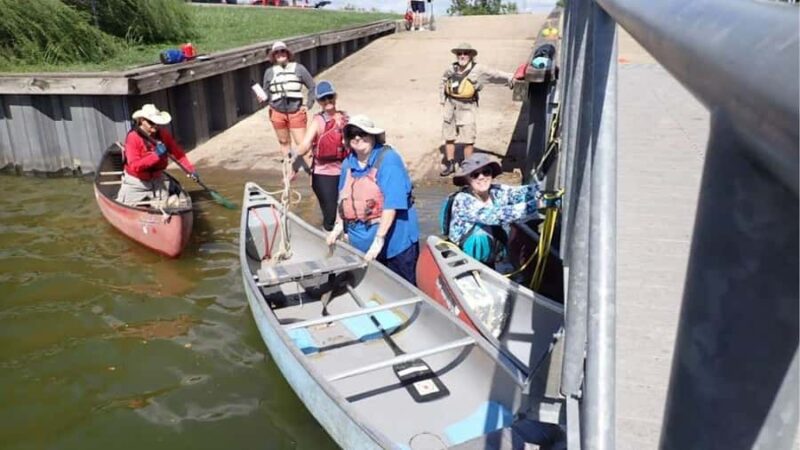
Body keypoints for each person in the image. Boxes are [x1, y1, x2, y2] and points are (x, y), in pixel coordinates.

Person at [326, 115, 420, 285]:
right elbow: (343, 198)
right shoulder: (348, 163)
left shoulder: (389, 160)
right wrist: (338, 226)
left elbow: (392, 204)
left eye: (362, 133)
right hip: (361, 245)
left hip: (395, 244)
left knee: (400, 287)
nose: (357, 137)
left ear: (373, 135)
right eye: (352, 134)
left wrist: (379, 239)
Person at [441, 153, 544, 268]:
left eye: (486, 172)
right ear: (466, 179)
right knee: (482, 234)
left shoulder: (496, 191)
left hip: (488, 261)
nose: (481, 177)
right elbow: (496, 216)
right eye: (475, 175)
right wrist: (537, 205)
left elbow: (523, 192)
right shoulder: (463, 201)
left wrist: (545, 191)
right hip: (462, 261)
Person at [439, 43, 516, 176]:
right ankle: (450, 164)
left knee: (468, 139)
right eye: (459, 53)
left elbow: (495, 74)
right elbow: (443, 81)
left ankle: (467, 166)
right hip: (450, 105)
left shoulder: (479, 69)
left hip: (467, 107)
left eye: (465, 53)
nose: (462, 56)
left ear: (471, 55)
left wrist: (512, 77)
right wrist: (442, 99)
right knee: (449, 136)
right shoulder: (451, 68)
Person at [116, 104, 196, 207]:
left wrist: (190, 170)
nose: (155, 125)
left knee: (169, 205)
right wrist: (156, 155)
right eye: (151, 122)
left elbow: (178, 154)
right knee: (122, 206)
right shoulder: (133, 138)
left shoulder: (163, 134)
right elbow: (134, 165)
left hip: (157, 180)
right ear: (142, 120)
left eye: (157, 123)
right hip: (136, 182)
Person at [295, 81, 348, 231]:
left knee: (347, 212)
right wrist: (293, 162)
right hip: (324, 174)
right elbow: (305, 144)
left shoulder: (345, 118)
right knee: (331, 215)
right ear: (318, 101)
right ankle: (327, 234)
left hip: (345, 171)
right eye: (323, 99)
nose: (327, 101)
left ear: (335, 97)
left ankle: (345, 236)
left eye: (330, 97)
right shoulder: (318, 121)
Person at [257, 41, 316, 162]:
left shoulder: (299, 69)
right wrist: (262, 98)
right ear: (273, 56)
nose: (280, 54)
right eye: (277, 52)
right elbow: (266, 93)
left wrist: (308, 104)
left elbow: (312, 87)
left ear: (287, 53)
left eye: (282, 51)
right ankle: (288, 169)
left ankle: (313, 171)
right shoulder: (269, 72)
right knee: (284, 142)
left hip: (296, 112)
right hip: (277, 113)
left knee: (303, 144)